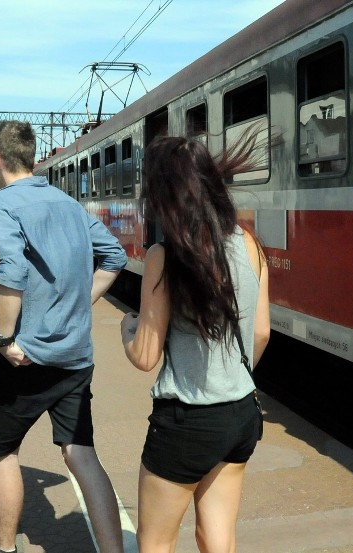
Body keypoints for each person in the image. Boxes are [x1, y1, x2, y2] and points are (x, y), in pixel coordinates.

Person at [0, 120, 127, 553]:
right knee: (81, 453)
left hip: (26, 358)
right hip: (76, 357)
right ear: (32, 156)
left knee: (3, 454)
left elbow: (10, 270)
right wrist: (81, 303)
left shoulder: (2, 203)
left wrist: (4, 339)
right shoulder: (68, 203)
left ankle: (5, 550)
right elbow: (114, 256)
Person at [120, 135, 270, 553]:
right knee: (218, 538)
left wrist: (127, 331)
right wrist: (230, 380)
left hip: (186, 420)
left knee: (155, 543)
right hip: (240, 413)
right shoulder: (250, 246)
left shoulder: (163, 258)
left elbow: (146, 356)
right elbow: (260, 334)